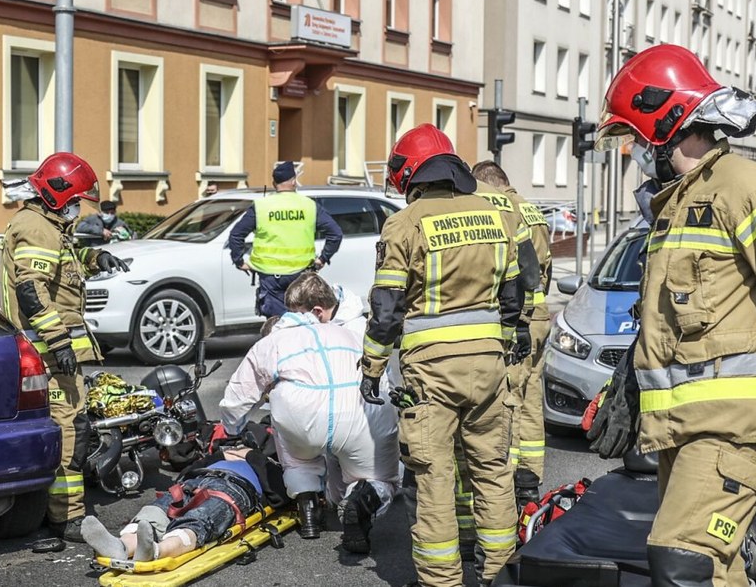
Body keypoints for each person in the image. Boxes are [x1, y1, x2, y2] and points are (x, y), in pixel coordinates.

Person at [594, 44, 756, 586]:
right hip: (682, 429)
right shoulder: (676, 204)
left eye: (636, 139)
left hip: (731, 427)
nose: (634, 152)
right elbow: (675, 320)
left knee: (680, 559)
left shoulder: (744, 186)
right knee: (716, 571)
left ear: (666, 125)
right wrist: (632, 381)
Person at [360, 124, 533, 586]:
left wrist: (372, 367)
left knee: (434, 478)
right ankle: (501, 574)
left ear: (412, 173)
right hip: (489, 366)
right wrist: (509, 342)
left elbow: (387, 308)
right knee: (494, 471)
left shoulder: (405, 223)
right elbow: (514, 295)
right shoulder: (496, 215)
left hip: (431, 374)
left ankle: (442, 581)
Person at [0, 153, 131, 543]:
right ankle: (67, 518)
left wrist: (93, 257)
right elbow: (32, 290)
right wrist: (58, 342)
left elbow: (61, 270)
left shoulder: (46, 225)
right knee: (69, 432)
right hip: (50, 353)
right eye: (75, 200)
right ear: (58, 195)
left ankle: (56, 512)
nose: (79, 209)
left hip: (52, 351)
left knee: (69, 428)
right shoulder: (37, 229)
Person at [220, 272, 399, 553]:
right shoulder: (351, 332)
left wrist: (232, 429)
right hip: (362, 417)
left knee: (294, 448)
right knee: (380, 478)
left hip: (301, 421)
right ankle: (363, 499)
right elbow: (384, 377)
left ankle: (308, 508)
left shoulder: (271, 343)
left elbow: (237, 397)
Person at [472, 160, 554, 507]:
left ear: (487, 185)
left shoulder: (499, 209)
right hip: (540, 315)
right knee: (531, 395)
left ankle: (514, 475)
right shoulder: (533, 210)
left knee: (510, 397)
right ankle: (531, 475)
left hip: (518, 319)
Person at [80, 439, 288, 562]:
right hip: (198, 479)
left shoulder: (271, 465)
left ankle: (156, 551)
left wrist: (252, 455)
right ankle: (121, 546)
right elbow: (188, 468)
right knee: (157, 509)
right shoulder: (219, 456)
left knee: (199, 518)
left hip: (235, 488)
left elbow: (280, 495)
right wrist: (223, 454)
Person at [227, 162, 343, 318]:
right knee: (303, 321)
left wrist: (239, 261)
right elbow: (335, 233)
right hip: (301, 274)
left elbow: (236, 235)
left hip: (270, 277)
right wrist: (323, 258)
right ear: (294, 181)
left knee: (276, 324)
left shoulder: (262, 206)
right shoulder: (309, 206)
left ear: (274, 184)